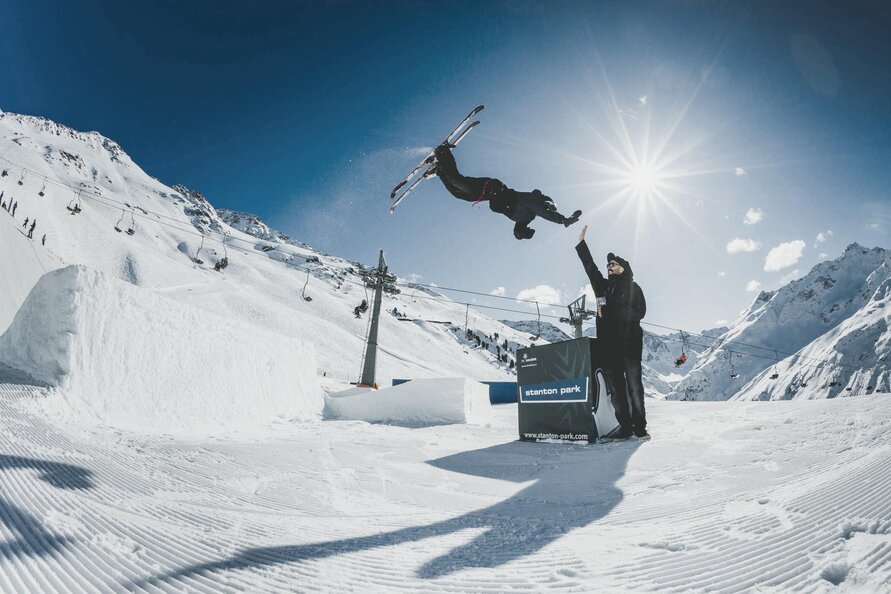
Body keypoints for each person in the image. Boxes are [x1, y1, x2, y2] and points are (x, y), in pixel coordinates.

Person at [575, 225, 649, 440]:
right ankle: (625, 427)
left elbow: (640, 313)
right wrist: (582, 244)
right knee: (617, 391)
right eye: (608, 264)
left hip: (630, 347)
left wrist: (612, 310)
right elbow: (590, 267)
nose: (609, 266)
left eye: (613, 263)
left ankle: (640, 428)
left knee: (634, 387)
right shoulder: (603, 287)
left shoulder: (635, 288)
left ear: (623, 268)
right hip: (608, 348)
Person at [432, 144, 581, 240]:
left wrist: (524, 234)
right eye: (549, 208)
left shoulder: (525, 218)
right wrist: (563, 220)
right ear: (547, 205)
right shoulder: (533, 203)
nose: (548, 210)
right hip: (490, 187)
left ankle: (440, 170)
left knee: (458, 193)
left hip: (486, 195)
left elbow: (518, 231)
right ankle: (443, 151)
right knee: (458, 181)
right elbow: (545, 212)